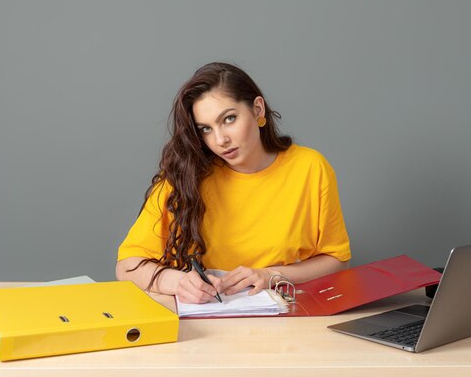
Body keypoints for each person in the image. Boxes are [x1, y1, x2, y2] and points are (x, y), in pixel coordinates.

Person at [116, 62, 351, 303]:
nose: (220, 140)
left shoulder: (310, 167)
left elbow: (336, 258)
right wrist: (178, 282)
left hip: (281, 321)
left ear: (258, 110)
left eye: (229, 119)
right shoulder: (185, 177)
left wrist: (270, 275)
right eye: (206, 129)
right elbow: (127, 266)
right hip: (199, 322)